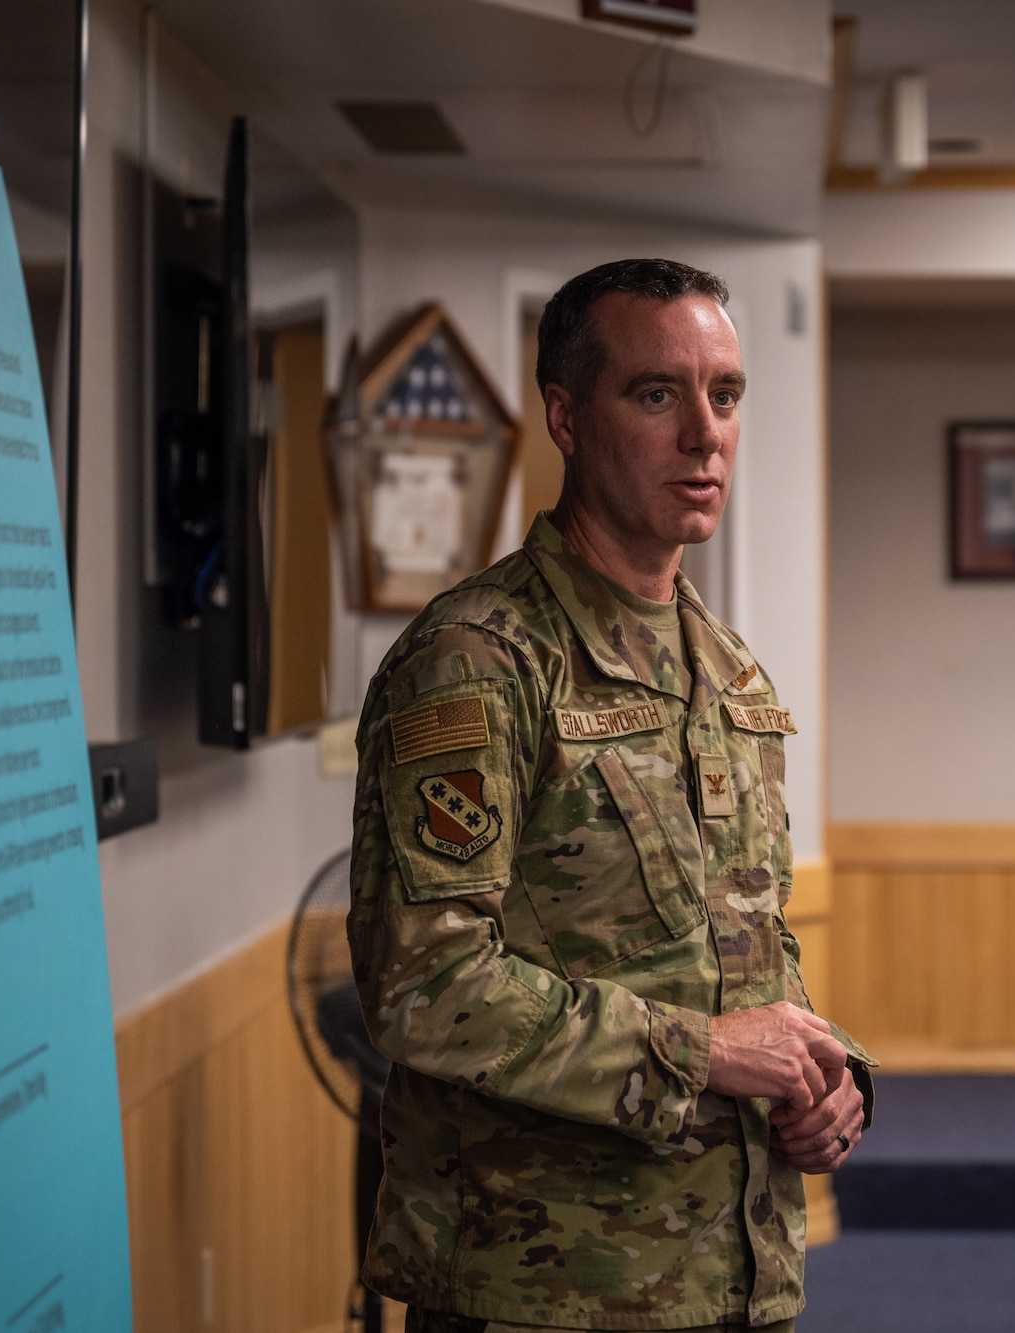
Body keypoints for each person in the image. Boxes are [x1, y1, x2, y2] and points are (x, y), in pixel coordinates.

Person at [348, 258, 874, 1333]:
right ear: (566, 416)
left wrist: (825, 1079)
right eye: (655, 393)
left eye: (723, 395)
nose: (703, 433)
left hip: (730, 1273)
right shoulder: (477, 658)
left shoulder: (730, 674)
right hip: (544, 1291)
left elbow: (745, 948)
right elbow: (424, 984)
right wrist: (711, 1052)